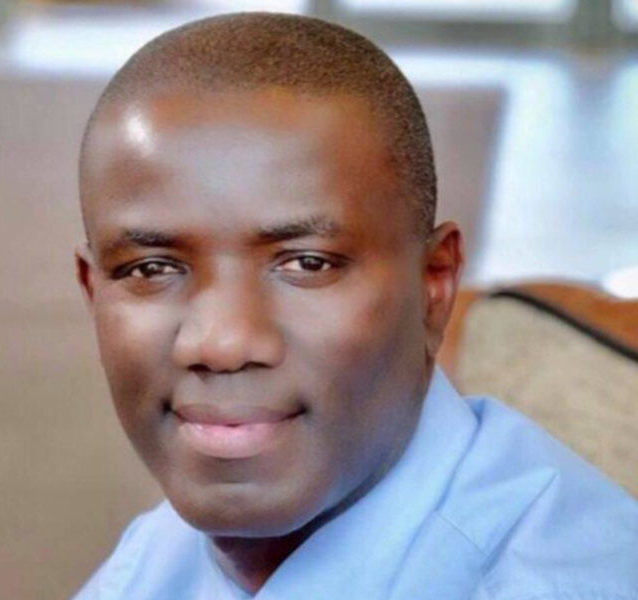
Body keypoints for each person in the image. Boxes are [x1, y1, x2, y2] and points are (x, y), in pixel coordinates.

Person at [71, 12, 638, 600]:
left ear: (434, 284)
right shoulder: (152, 561)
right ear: (92, 292)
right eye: (151, 269)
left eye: (307, 263)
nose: (221, 342)